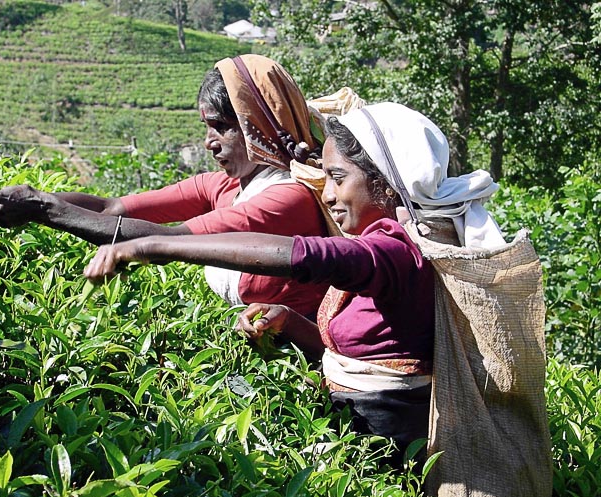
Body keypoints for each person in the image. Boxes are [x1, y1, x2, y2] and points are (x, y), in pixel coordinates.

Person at [82, 102, 504, 460]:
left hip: (386, 450)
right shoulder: (408, 238)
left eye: (338, 179)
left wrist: (152, 247)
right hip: (360, 433)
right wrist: (289, 321)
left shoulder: (396, 251)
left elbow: (302, 255)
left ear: (385, 183)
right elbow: (368, 355)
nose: (329, 195)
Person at [0, 54, 330, 318]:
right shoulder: (226, 186)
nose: (209, 142)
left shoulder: (288, 198)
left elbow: (171, 240)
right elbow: (111, 208)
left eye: (221, 126)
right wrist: (16, 197)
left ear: (258, 124)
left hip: (301, 364)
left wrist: (42, 207)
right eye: (207, 127)